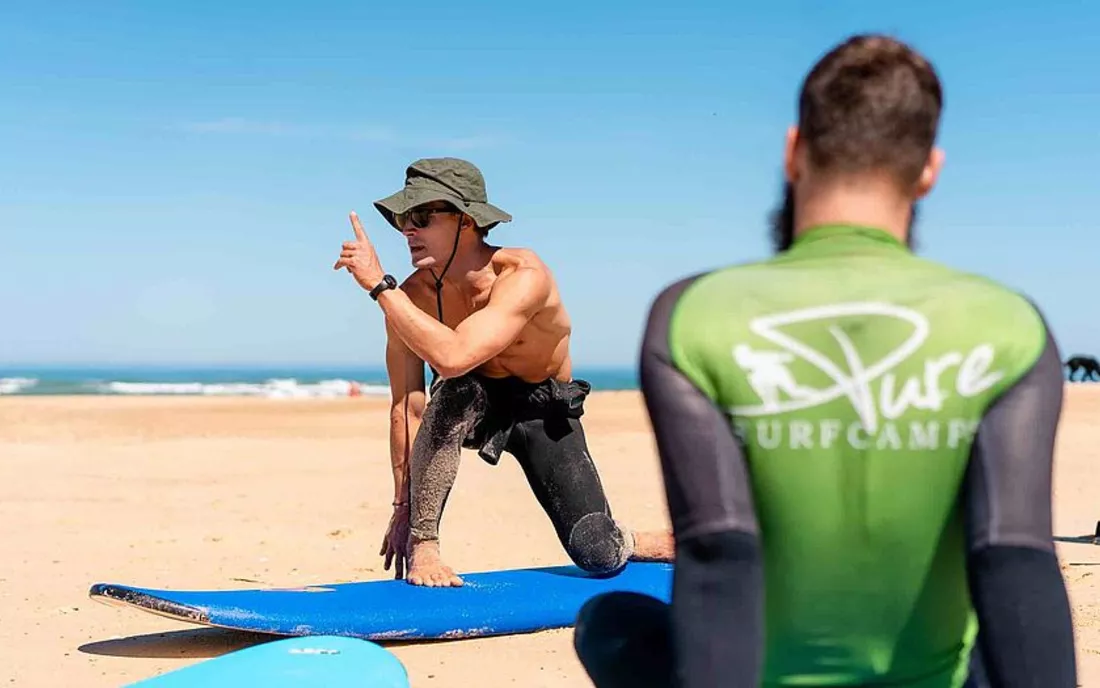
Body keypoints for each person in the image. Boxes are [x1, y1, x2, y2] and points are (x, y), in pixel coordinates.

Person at [573, 34, 1077, 688]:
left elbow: (721, 559)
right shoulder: (1009, 326)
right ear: (929, 170)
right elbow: (1014, 560)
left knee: (607, 622)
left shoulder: (693, 316)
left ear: (792, 152)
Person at [333, 157, 673, 587]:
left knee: (598, 554)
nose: (407, 230)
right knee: (457, 390)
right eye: (403, 218)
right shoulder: (410, 299)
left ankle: (635, 538)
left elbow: (455, 353)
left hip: (542, 409)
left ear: (467, 222)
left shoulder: (522, 275)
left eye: (421, 216)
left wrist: (379, 286)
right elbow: (407, 407)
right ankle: (427, 549)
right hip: (473, 404)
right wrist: (404, 510)